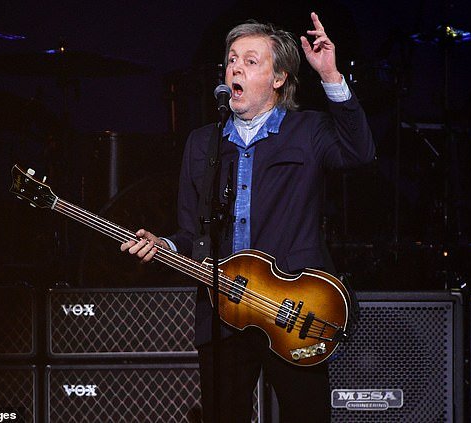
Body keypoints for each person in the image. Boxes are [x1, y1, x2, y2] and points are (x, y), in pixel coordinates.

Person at [121, 12, 374, 422]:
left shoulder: (307, 130)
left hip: (292, 311)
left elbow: (359, 151)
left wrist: (330, 75)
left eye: (250, 61)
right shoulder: (202, 143)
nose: (235, 68)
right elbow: (191, 233)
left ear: (278, 78)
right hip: (223, 312)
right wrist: (163, 244)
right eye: (231, 60)